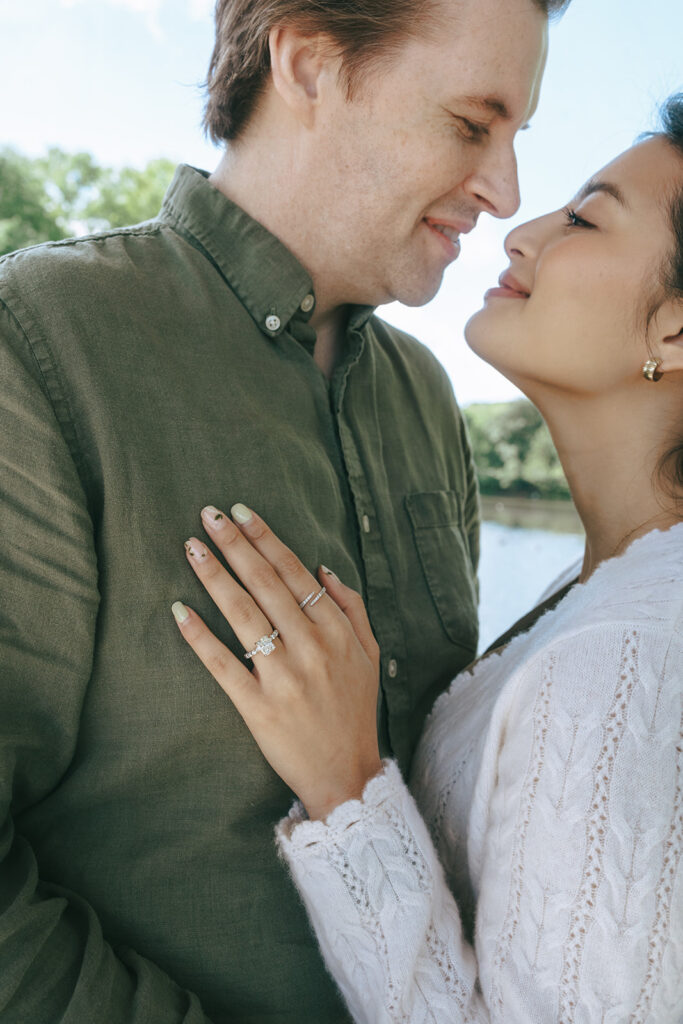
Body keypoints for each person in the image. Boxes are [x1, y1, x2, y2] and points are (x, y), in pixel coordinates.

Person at [0, 0, 570, 1020]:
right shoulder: (37, 348)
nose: (504, 190)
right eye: (468, 123)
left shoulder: (424, 402)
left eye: (514, 137)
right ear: (308, 62)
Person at [171, 96, 683, 1022]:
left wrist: (345, 783)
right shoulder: (619, 594)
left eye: (583, 217)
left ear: (676, 332)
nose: (519, 231)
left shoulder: (626, 657)